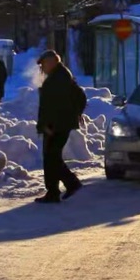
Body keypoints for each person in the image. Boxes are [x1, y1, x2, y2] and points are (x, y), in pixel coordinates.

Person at [34, 50, 86, 203]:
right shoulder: (61, 76)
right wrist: (76, 113)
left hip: (56, 126)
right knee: (52, 157)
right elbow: (79, 96)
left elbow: (52, 106)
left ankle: (69, 185)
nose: (42, 68)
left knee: (52, 158)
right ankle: (55, 191)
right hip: (58, 124)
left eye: (43, 64)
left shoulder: (59, 78)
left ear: (51, 62)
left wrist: (48, 125)